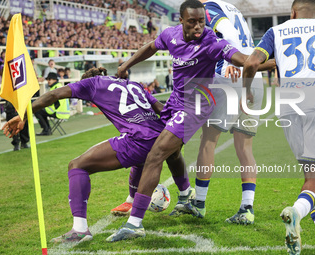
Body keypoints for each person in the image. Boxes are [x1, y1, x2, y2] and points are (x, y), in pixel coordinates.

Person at [107, 0, 253, 242]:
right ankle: (186, 197)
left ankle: (135, 224)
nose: (199, 27)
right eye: (193, 22)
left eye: (202, 22)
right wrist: (125, 65)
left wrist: (265, 63)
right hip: (175, 101)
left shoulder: (213, 42)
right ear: (181, 21)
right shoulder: (170, 35)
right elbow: (151, 47)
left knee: (156, 154)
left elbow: (241, 59)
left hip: (197, 105)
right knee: (171, 153)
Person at [3, 67, 192, 243]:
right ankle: (183, 196)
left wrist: (25, 115)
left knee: (76, 165)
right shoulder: (132, 84)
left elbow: (54, 94)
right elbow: (160, 108)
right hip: (161, 136)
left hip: (138, 139)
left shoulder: (91, 84)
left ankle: (80, 229)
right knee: (156, 158)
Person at [242, 0, 315, 253]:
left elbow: (250, 63)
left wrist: (246, 92)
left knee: (312, 175)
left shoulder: (276, 31)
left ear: (293, 13)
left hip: (289, 107)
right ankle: (296, 212)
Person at [185, 0, 274, 222]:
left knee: (208, 140)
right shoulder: (233, 8)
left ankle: (199, 203)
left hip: (230, 77)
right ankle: (247, 208)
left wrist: (232, 63)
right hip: (254, 79)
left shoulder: (209, 8)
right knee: (245, 147)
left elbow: (228, 33)